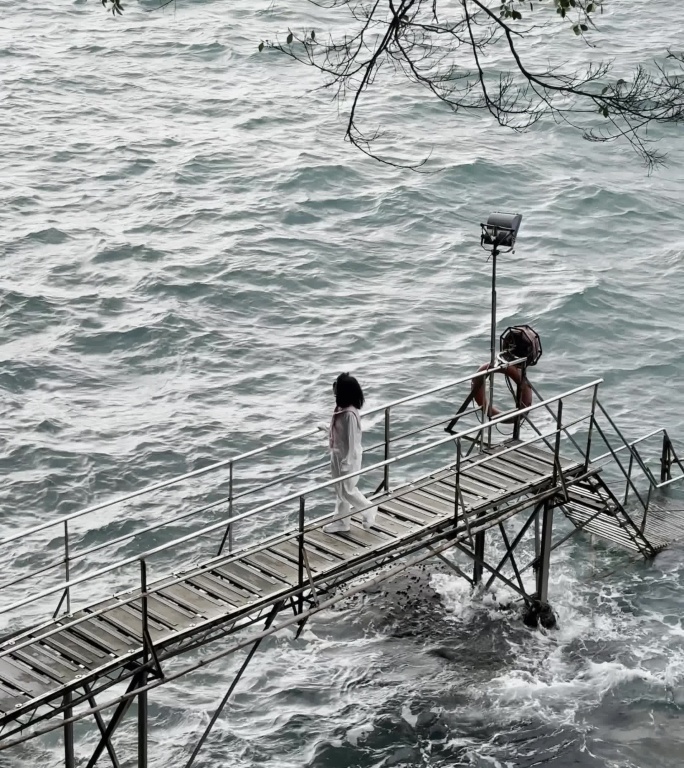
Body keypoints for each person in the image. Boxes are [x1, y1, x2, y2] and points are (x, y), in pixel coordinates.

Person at [322, 373, 378, 534]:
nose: (334, 387)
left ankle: (369, 508)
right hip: (337, 454)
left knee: (348, 489)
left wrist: (347, 461)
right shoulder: (340, 409)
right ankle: (341, 521)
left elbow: (353, 441)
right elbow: (339, 433)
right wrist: (326, 429)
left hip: (348, 458)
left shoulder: (350, 414)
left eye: (337, 386)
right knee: (340, 489)